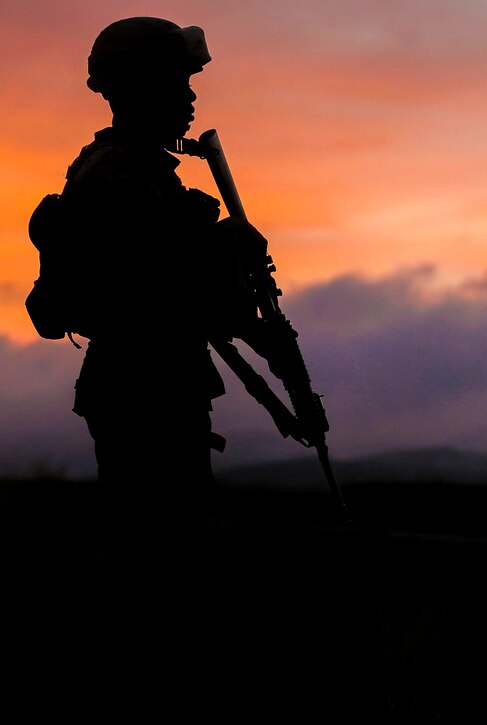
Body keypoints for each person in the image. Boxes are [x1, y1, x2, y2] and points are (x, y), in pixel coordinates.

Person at [33, 17, 259, 575]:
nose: (190, 96)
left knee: (164, 549)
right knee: (158, 559)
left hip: (151, 384)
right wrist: (226, 257)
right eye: (177, 82)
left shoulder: (141, 171)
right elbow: (158, 295)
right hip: (144, 389)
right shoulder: (121, 178)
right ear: (139, 86)